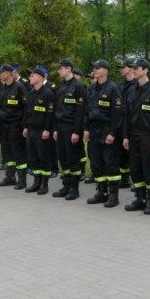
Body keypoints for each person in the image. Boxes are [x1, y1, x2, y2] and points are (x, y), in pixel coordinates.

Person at [122, 58, 150, 214]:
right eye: (132, 67)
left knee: (149, 169)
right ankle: (139, 199)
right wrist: (125, 136)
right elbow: (126, 115)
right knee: (135, 168)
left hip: (148, 136)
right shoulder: (132, 89)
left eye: (136, 67)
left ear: (145, 70)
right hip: (133, 135)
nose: (133, 70)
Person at [84, 60, 124, 208]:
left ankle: (113, 195)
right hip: (94, 130)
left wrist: (112, 133)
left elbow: (118, 114)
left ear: (106, 71)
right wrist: (86, 128)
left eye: (98, 68)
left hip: (107, 130)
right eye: (94, 68)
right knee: (96, 162)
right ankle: (101, 192)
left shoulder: (113, 88)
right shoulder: (92, 88)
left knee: (110, 163)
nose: (94, 70)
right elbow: (87, 110)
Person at [52, 58, 87, 201]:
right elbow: (56, 109)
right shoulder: (61, 87)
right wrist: (55, 129)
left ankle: (74, 188)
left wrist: (77, 131)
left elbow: (81, 112)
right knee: (62, 157)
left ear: (68, 69)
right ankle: (66, 186)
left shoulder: (78, 86)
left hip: (71, 127)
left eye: (60, 68)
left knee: (73, 158)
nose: (58, 71)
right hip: (60, 126)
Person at [23, 67, 55, 195]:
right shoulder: (30, 93)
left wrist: (47, 129)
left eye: (33, 76)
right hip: (31, 129)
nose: (30, 78)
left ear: (41, 77)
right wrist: (25, 126)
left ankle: (44, 184)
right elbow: (27, 112)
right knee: (33, 157)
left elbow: (50, 114)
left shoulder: (48, 94)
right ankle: (36, 182)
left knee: (43, 157)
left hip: (42, 131)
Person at [0, 64, 28, 190]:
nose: (0, 74)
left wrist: (24, 125)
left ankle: (22, 180)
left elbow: (26, 107)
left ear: (9, 73)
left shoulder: (19, 87)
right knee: (7, 152)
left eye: (1, 72)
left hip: (16, 125)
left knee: (18, 152)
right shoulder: (3, 87)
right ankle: (10, 177)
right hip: (4, 125)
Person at [117, 58, 137, 188]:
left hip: (133, 123)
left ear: (130, 68)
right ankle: (124, 179)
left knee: (134, 154)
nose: (120, 69)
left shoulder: (138, 85)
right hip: (121, 122)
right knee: (122, 152)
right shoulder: (120, 85)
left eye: (123, 67)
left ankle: (136, 180)